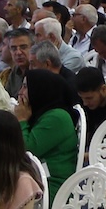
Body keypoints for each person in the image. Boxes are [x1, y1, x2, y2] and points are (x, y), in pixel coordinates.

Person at [19, 67, 78, 202]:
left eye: (25, 87)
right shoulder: (41, 114)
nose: (20, 92)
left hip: (52, 187)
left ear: (40, 90)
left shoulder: (57, 117)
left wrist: (21, 120)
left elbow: (26, 150)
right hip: (34, 179)